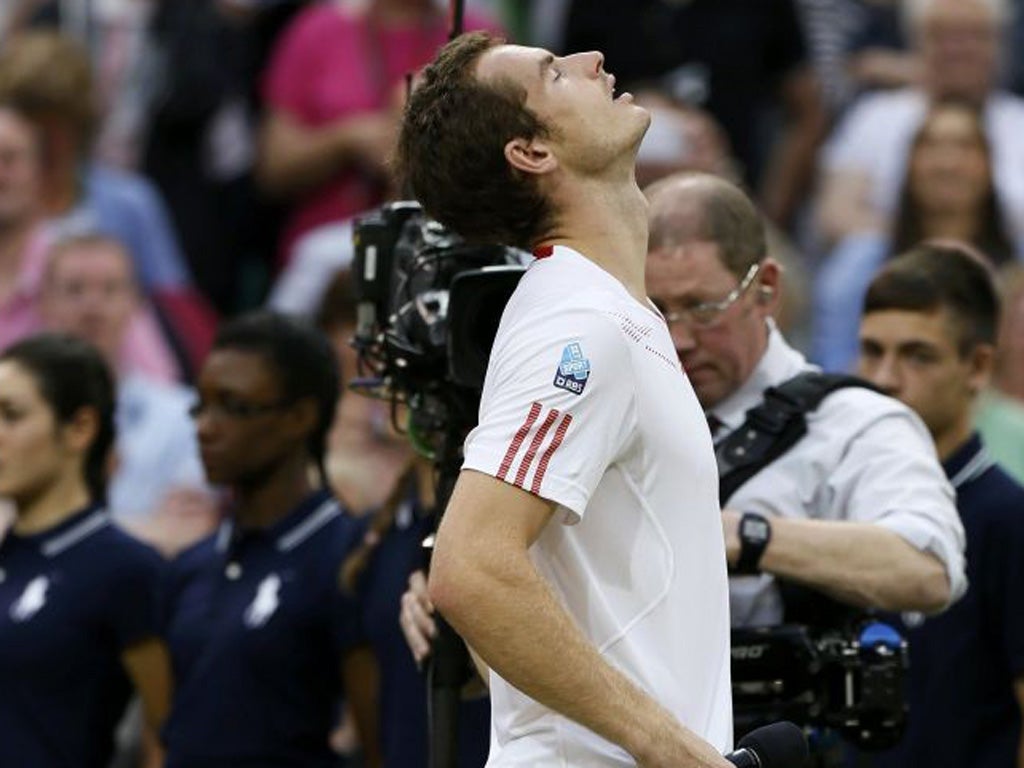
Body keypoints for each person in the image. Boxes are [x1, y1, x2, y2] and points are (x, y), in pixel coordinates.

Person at [398, 32, 733, 767]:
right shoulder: (577, 324)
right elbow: (469, 568)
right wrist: (670, 749)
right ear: (532, 152)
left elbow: (502, 599)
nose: (594, 63)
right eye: (555, 74)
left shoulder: (604, 312)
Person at [641, 172, 964, 632]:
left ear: (766, 288)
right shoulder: (610, 415)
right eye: (654, 308)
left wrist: (748, 536)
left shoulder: (854, 424)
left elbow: (928, 568)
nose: (678, 337)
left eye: (702, 307)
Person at [160, 311, 380, 768]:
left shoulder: (346, 555)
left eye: (235, 407)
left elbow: (379, 740)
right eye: (200, 406)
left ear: (300, 417)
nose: (205, 427)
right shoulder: (193, 563)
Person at [856, 242, 1024, 768]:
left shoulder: (1008, 518)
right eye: (872, 350)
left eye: (916, 355)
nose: (884, 377)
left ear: (977, 367)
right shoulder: (841, 504)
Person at [0, 333, 171, 767]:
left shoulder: (125, 567)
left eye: (11, 415)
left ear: (80, 428)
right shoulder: (8, 553)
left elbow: (170, 732)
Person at [258, 0, 498, 266]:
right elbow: (273, 170)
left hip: (444, 242)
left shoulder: (477, 34)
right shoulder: (319, 29)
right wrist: (347, 140)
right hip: (331, 242)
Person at [38, 232, 215, 553]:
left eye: (110, 289)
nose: (92, 306)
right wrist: (142, 529)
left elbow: (186, 536)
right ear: (44, 302)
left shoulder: (184, 413)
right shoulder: (9, 413)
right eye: (75, 290)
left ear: (135, 301)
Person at [814, 99, 1018, 372]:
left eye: (965, 147)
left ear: (990, 164)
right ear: (908, 164)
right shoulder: (858, 264)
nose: (947, 163)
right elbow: (832, 366)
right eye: (931, 146)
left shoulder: (1020, 263)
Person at [816, 0, 1024, 248]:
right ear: (916, 43)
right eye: (943, 35)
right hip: (892, 265)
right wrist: (926, 250)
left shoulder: (1019, 122)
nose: (958, 49)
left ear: (998, 44)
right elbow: (835, 214)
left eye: (973, 35)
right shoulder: (873, 117)